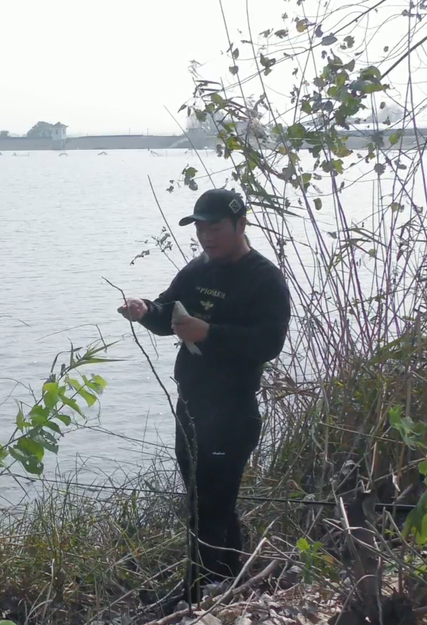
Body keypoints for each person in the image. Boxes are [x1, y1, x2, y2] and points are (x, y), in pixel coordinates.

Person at [118, 188, 291, 602]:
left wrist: (210, 334)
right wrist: (145, 311)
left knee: (211, 503)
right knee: (202, 499)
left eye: (214, 227)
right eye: (199, 228)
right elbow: (167, 313)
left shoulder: (263, 278)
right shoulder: (198, 270)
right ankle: (227, 582)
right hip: (192, 404)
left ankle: (200, 592)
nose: (206, 236)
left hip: (232, 410)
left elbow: (269, 343)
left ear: (240, 224)